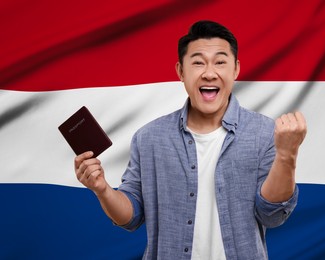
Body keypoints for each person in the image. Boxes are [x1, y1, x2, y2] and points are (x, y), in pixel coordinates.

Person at [75, 20, 307, 259]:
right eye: (198, 62)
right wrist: (102, 189)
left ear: (235, 69)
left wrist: (286, 156)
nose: (209, 73)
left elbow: (272, 215)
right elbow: (131, 217)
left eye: (220, 62)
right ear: (181, 72)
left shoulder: (264, 132)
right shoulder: (149, 138)